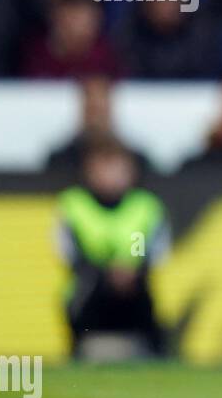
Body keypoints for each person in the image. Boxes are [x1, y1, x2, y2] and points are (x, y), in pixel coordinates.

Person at [55, 135, 170, 359]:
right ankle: (79, 352)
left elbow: (157, 251)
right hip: (91, 291)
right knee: (82, 292)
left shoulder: (145, 206)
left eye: (117, 169)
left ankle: (157, 357)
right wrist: (106, 274)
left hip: (134, 290)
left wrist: (131, 270)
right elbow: (68, 253)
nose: (111, 177)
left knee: (149, 299)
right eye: (104, 169)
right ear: (90, 171)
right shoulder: (74, 205)